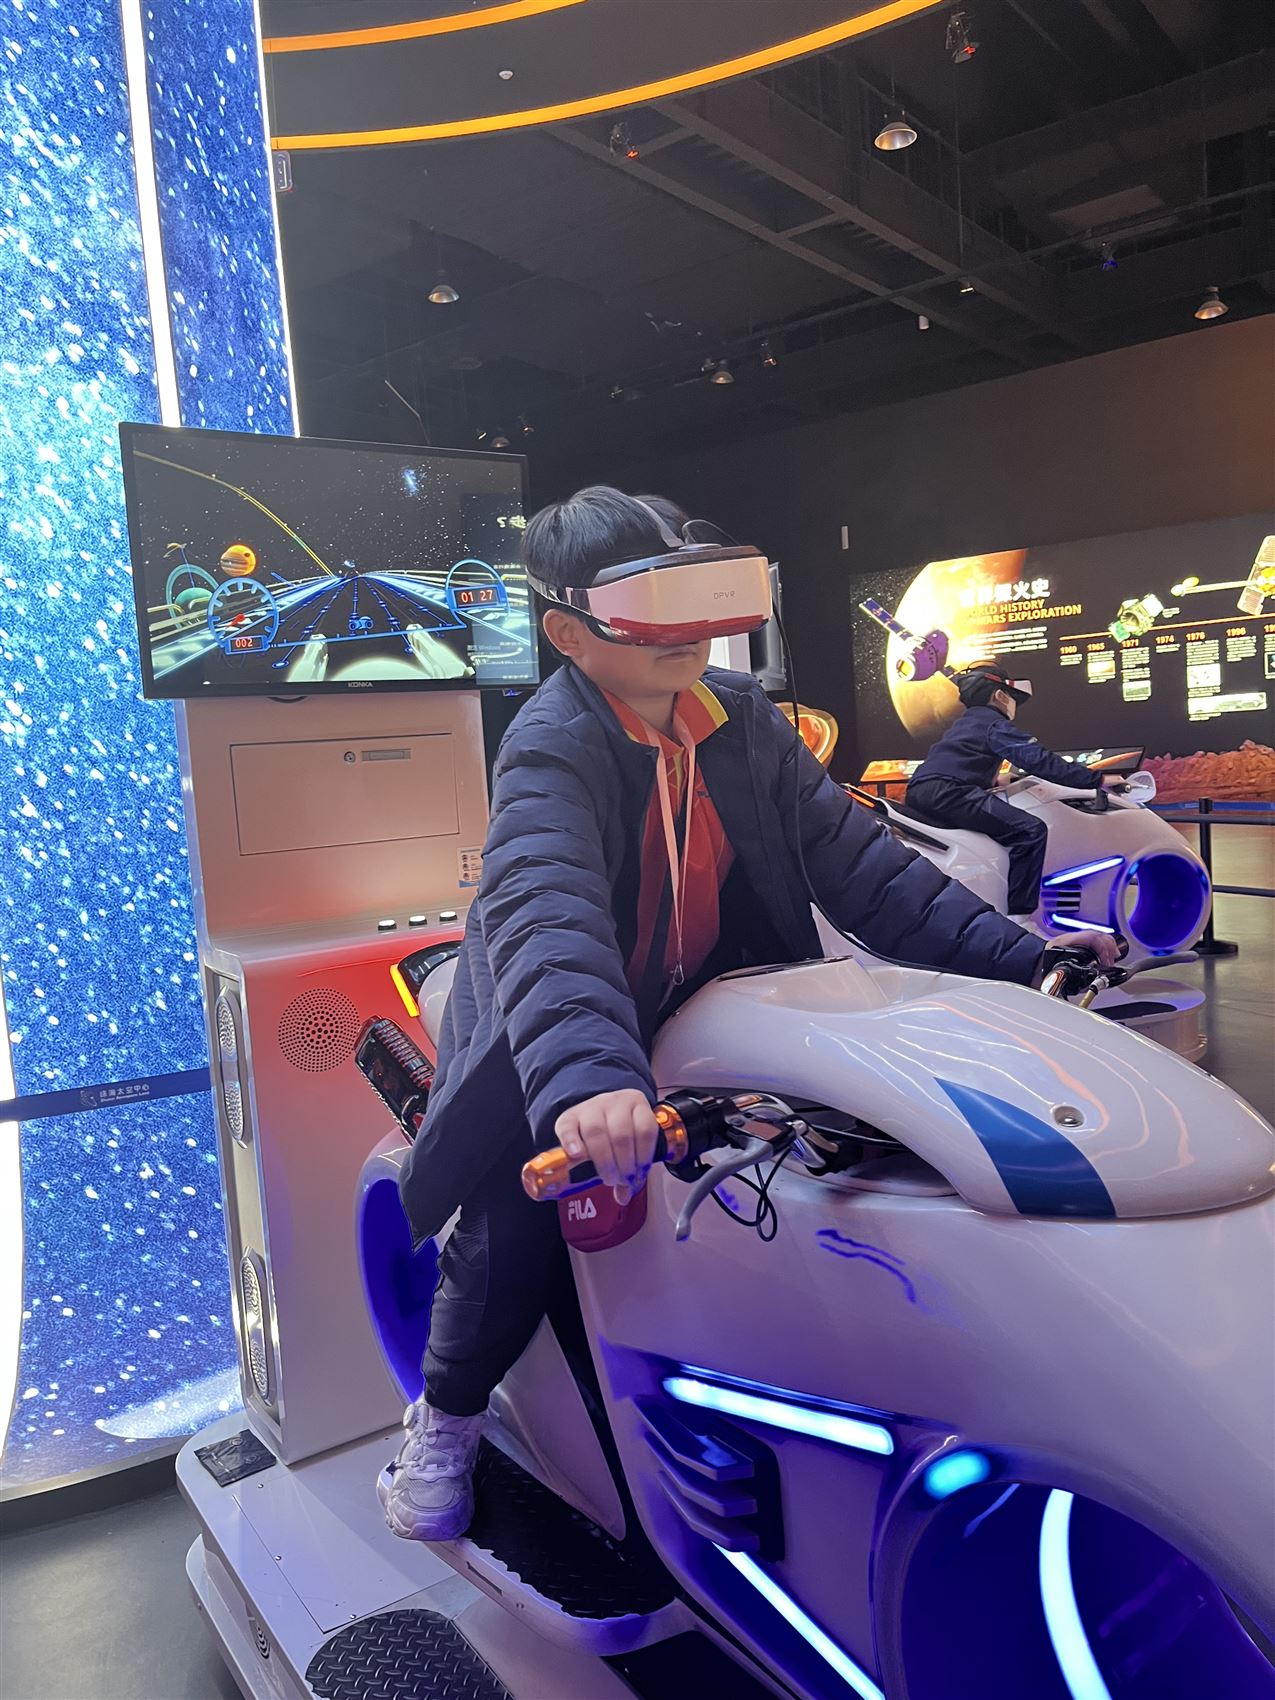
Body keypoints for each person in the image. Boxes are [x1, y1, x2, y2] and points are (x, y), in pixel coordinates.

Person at [379, 491, 1119, 1543]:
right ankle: (445, 1420)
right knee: (511, 1228)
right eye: (648, 606)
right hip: (559, 1019)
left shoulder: (742, 718)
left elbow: (864, 869)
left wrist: (1024, 959)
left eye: (690, 594)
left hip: (714, 1003)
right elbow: (549, 912)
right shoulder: (549, 744)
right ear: (569, 632)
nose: (681, 632)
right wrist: (589, 1076)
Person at [905, 662, 1123, 921]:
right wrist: (1098, 779)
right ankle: (1020, 920)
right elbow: (1039, 760)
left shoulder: (964, 724)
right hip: (949, 792)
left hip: (922, 791)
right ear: (1000, 695)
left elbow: (960, 760)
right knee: (1031, 831)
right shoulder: (994, 724)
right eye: (1012, 697)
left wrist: (996, 778)